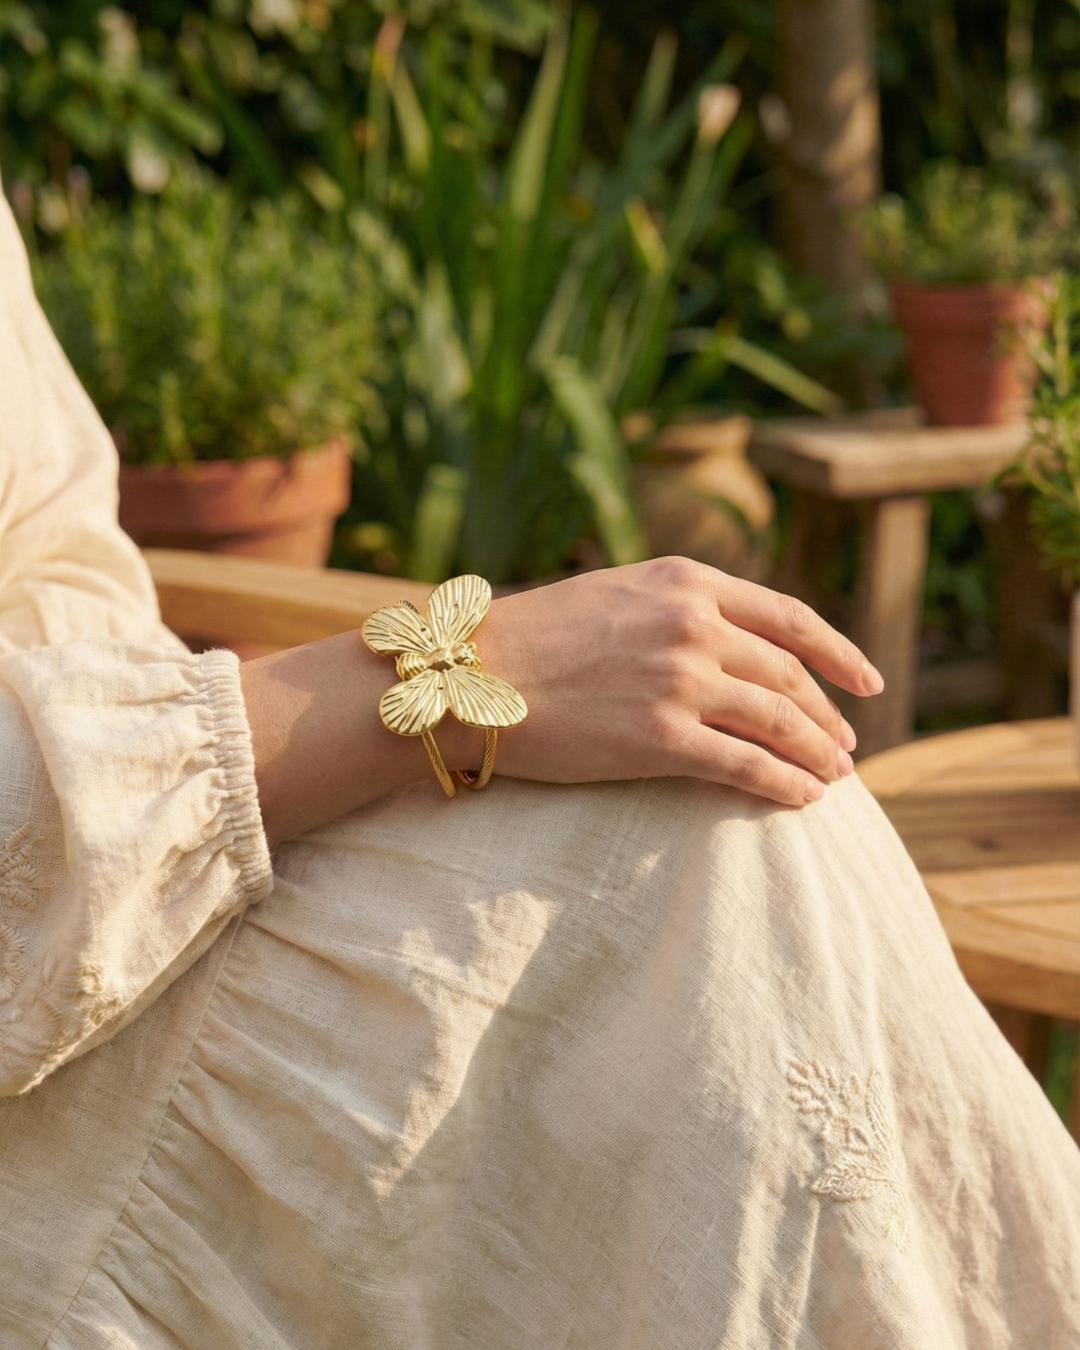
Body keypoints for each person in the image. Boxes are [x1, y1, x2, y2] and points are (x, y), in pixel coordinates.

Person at [0, 181, 1078, 1350]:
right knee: (691, 860)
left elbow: (58, 557)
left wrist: (155, 738)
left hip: (126, 857)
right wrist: (448, 682)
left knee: (737, 810)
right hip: (61, 1088)